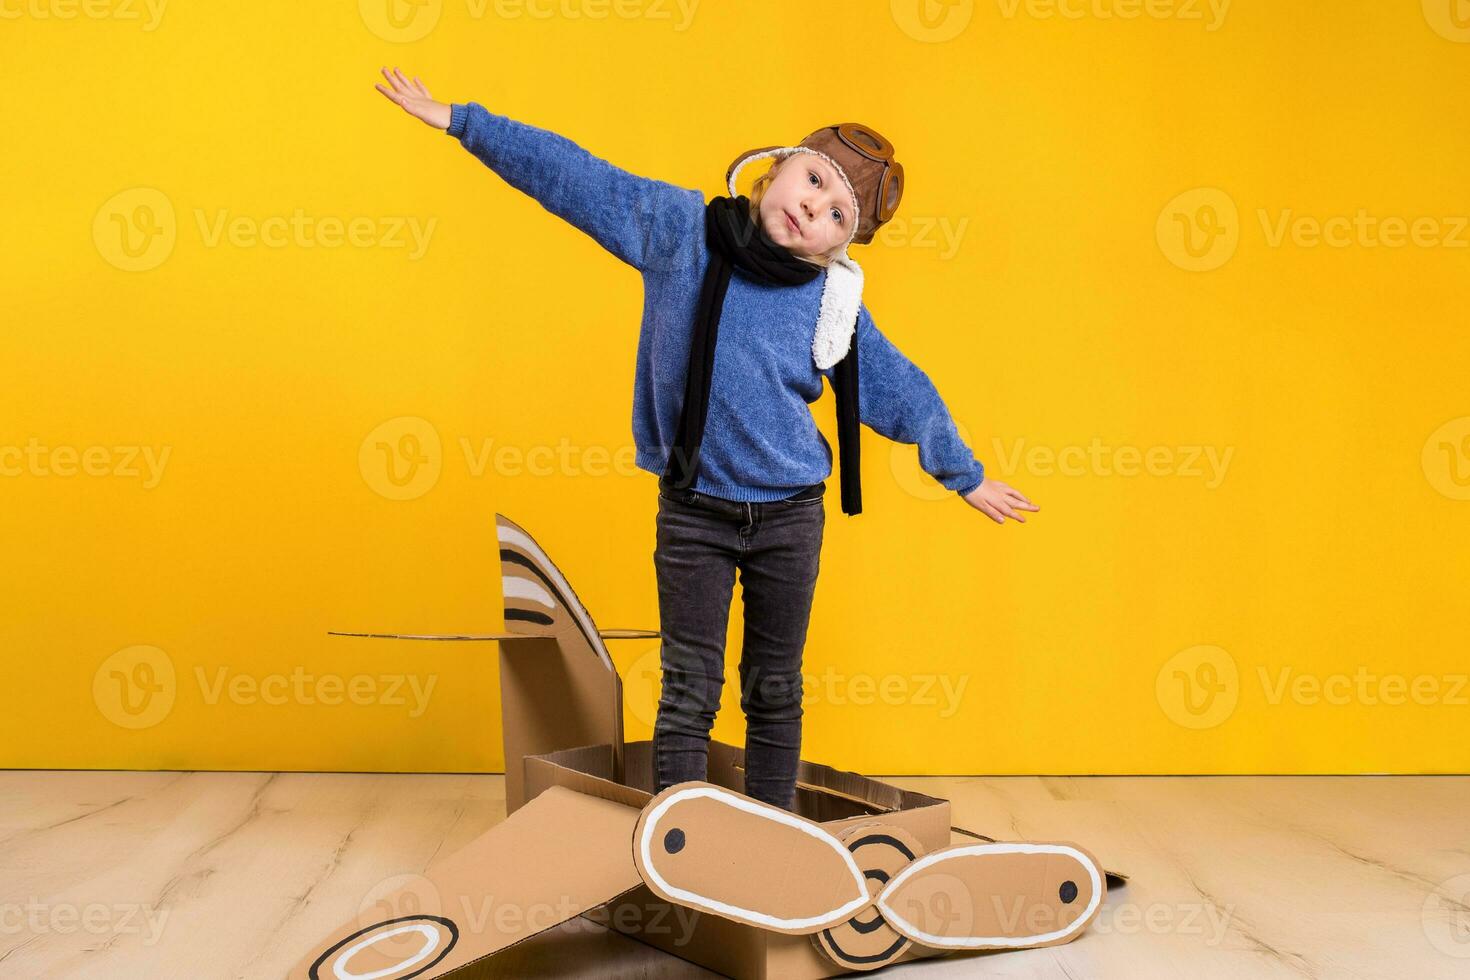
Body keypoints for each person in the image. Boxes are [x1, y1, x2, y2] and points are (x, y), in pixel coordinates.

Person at [374, 67, 1039, 811]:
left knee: (774, 688)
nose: (811, 206)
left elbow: (899, 388)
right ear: (777, 164)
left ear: (842, 243)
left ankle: (771, 831)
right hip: (695, 513)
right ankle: (683, 838)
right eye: (813, 178)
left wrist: (964, 473)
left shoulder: (832, 302)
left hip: (789, 517)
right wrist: (464, 121)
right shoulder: (682, 236)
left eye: (835, 214)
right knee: (689, 686)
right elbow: (577, 176)